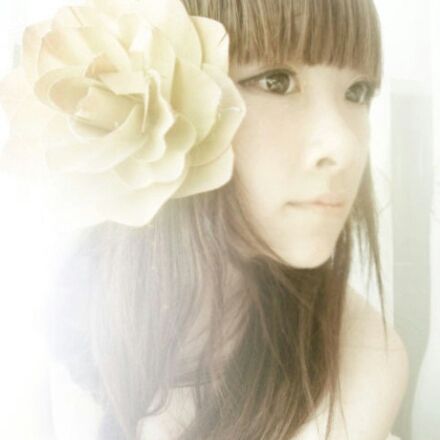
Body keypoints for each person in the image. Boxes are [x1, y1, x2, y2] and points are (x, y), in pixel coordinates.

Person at [0, 0, 408, 439]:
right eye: (276, 81)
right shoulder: (46, 308)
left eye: (358, 92)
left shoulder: (360, 356)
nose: (344, 147)